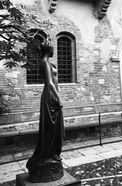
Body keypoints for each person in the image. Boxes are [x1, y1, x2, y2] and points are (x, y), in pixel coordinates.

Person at [26, 41, 64, 182]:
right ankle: (46, 155)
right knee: (50, 127)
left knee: (55, 126)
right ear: (48, 50)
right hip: (49, 97)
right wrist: (58, 96)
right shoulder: (44, 63)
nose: (53, 49)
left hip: (53, 96)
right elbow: (49, 83)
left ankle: (53, 153)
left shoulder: (49, 63)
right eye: (52, 48)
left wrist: (58, 95)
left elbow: (55, 81)